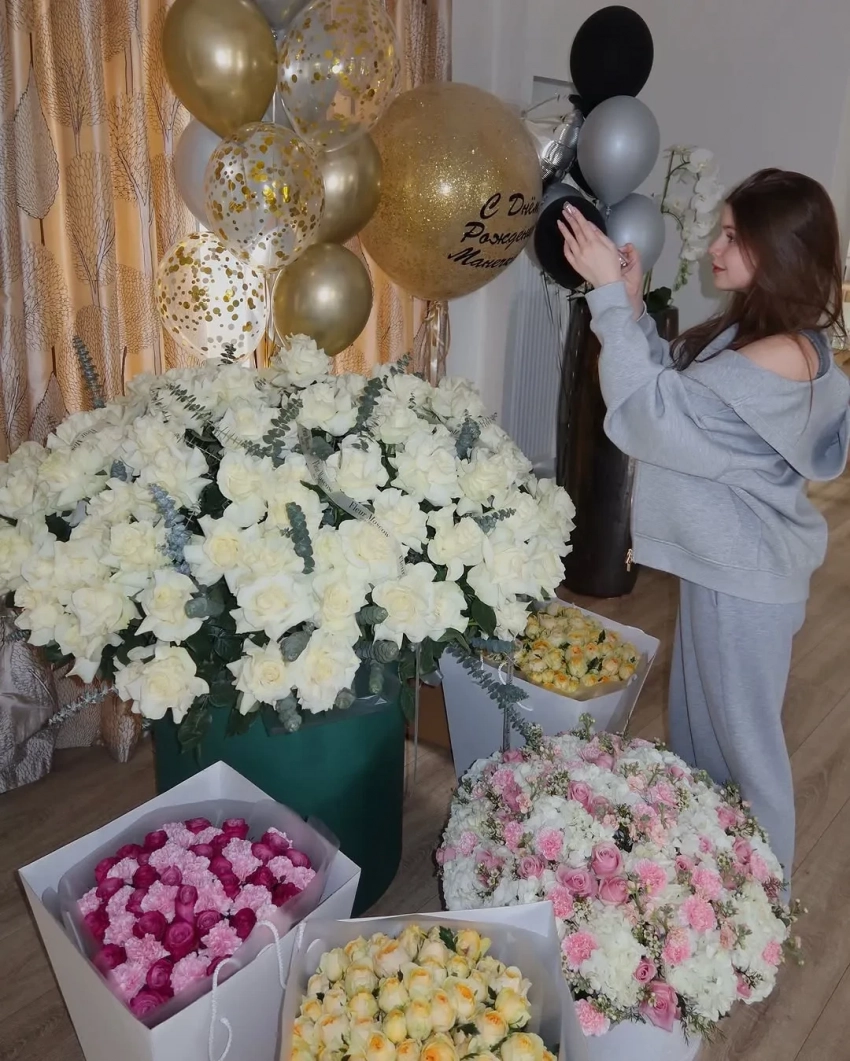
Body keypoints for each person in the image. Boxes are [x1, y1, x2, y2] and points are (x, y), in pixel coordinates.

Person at [557, 169, 850, 888]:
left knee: (745, 755)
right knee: (701, 744)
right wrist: (630, 307)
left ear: (776, 249)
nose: (713, 248)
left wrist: (608, 300)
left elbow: (652, 417)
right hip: (730, 570)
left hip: (743, 581)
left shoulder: (780, 354)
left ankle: (766, 906)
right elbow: (677, 398)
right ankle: (712, 889)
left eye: (731, 236)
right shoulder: (770, 336)